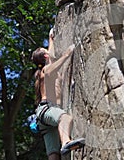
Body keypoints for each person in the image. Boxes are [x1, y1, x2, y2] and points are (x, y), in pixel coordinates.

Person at [31, 28, 85, 160]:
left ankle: (62, 146)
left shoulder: (44, 70)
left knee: (53, 155)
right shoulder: (46, 71)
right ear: (45, 56)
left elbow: (50, 54)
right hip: (47, 109)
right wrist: (67, 54)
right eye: (46, 50)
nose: (48, 51)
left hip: (45, 116)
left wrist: (51, 38)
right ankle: (66, 142)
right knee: (65, 118)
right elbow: (52, 64)